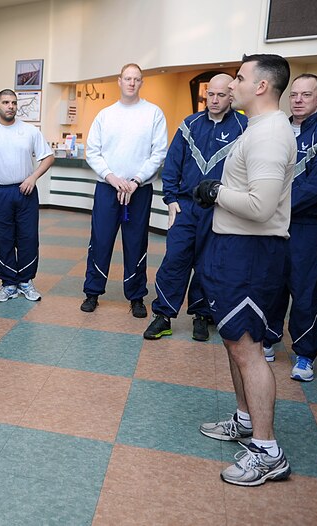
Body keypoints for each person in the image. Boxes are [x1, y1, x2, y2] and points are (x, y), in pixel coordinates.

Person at [195, 54, 296, 486]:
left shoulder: (271, 134)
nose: (231, 84)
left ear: (261, 86)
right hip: (234, 248)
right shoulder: (256, 129)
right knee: (234, 342)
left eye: (239, 77)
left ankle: (268, 450)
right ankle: (245, 419)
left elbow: (261, 206)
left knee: (248, 348)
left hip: (252, 253)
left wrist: (215, 190)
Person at [261, 74, 317, 379]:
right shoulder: (276, 129)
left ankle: (304, 354)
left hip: (306, 227)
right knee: (271, 286)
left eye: (306, 95)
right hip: (272, 226)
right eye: (294, 94)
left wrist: (268, 203)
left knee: (306, 291)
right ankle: (268, 339)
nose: (298, 100)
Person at [143, 73, 246, 341]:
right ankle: (163, 315)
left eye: (221, 95)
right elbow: (172, 163)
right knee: (174, 260)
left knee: (208, 265)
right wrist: (171, 200)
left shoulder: (244, 127)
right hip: (186, 207)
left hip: (220, 208)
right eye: (210, 94)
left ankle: (202, 315)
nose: (214, 99)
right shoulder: (190, 124)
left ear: (231, 96)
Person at [80, 64, 167, 316]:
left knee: (136, 242)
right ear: (119, 81)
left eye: (136, 79)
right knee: (100, 240)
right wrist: (112, 178)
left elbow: (158, 152)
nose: (131, 83)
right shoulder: (105, 115)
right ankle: (92, 292)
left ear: (141, 83)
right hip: (109, 188)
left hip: (138, 190)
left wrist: (136, 180)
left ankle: (137, 296)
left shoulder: (153, 114)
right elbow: (92, 152)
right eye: (127, 78)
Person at [0, 89, 54, 302]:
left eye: (14, 103)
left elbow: (48, 157)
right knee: (1, 238)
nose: (10, 106)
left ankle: (25, 282)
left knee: (28, 237)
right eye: (6, 102)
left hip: (25, 190)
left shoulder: (30, 131)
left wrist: (33, 177)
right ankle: (8, 283)